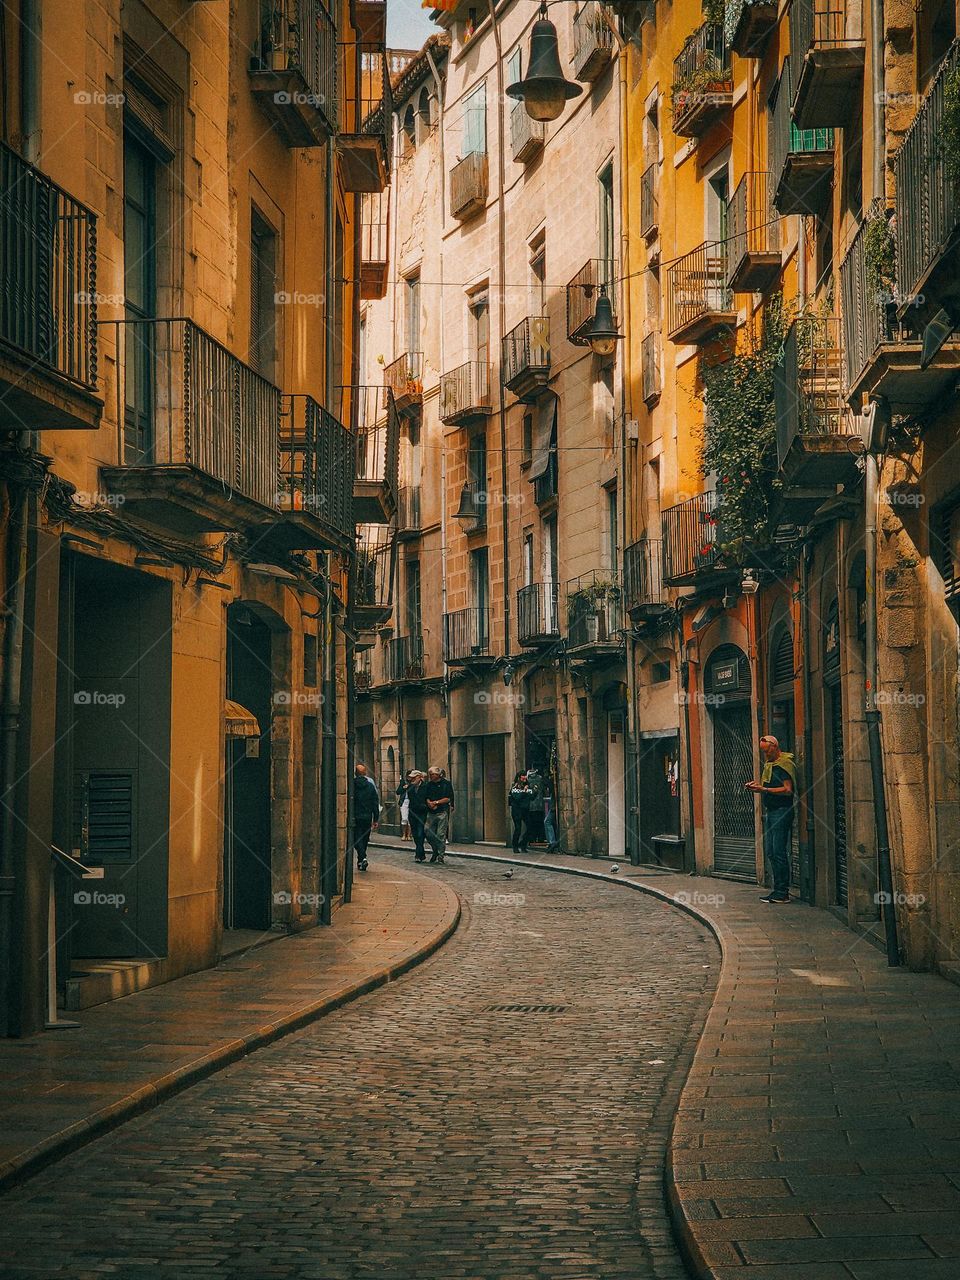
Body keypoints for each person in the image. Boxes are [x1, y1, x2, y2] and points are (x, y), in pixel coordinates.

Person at [745, 735, 797, 903]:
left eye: (767, 751)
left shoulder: (784, 765)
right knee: (771, 852)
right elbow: (766, 785)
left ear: (775, 746)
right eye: (763, 752)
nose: (766, 755)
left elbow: (788, 790)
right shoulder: (770, 765)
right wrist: (757, 787)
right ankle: (778, 890)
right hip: (772, 811)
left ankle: (783, 892)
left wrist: (764, 790)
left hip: (782, 811)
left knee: (779, 852)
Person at [423, 765, 455, 864]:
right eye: (430, 774)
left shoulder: (446, 784)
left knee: (440, 834)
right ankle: (435, 850)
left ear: (438, 775)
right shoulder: (429, 785)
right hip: (431, 812)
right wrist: (429, 803)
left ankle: (441, 856)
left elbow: (448, 798)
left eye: (433, 774)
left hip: (442, 812)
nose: (431, 776)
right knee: (428, 832)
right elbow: (426, 796)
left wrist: (436, 803)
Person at [352, 763, 380, 873]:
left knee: (356, 839)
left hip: (356, 816)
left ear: (355, 773)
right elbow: (375, 802)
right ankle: (361, 859)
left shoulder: (352, 785)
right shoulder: (370, 786)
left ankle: (362, 857)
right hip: (367, 817)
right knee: (364, 838)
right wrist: (376, 818)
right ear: (365, 773)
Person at [507, 773, 533, 853]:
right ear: (519, 778)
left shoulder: (528, 786)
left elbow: (532, 797)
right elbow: (517, 798)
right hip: (517, 811)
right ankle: (515, 846)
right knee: (518, 828)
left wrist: (534, 791)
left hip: (525, 810)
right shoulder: (514, 787)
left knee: (530, 827)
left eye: (525, 778)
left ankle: (523, 844)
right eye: (523, 778)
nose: (524, 780)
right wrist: (524, 791)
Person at [407, 770, 429, 862]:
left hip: (422, 813)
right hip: (412, 813)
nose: (412, 779)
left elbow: (426, 798)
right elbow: (411, 799)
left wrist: (424, 806)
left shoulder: (426, 786)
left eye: (414, 777)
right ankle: (421, 853)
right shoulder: (410, 787)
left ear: (419, 777)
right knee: (415, 834)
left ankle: (418, 854)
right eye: (411, 778)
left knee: (420, 833)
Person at [525, 764, 545, 844]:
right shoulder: (540, 778)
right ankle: (540, 838)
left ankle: (532, 838)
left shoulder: (527, 780)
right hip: (539, 804)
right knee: (539, 822)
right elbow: (543, 789)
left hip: (530, 805)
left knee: (531, 823)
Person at [396, 770, 418, 840]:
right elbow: (398, 792)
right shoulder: (403, 782)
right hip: (404, 801)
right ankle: (404, 834)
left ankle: (409, 835)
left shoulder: (415, 783)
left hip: (412, 802)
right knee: (404, 818)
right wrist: (403, 788)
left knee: (410, 820)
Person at [542, 776, 560, 853]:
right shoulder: (552, 788)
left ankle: (552, 842)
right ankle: (551, 841)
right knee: (548, 821)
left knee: (547, 821)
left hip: (553, 808)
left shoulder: (552, 787)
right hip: (553, 807)